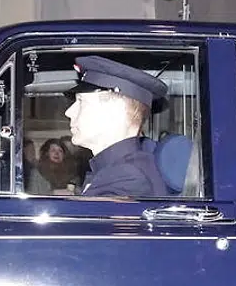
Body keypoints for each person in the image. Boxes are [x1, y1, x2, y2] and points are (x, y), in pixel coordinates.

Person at [64, 55, 169, 197]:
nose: (69, 112)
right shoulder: (117, 169)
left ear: (115, 111)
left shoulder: (125, 177)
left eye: (82, 102)